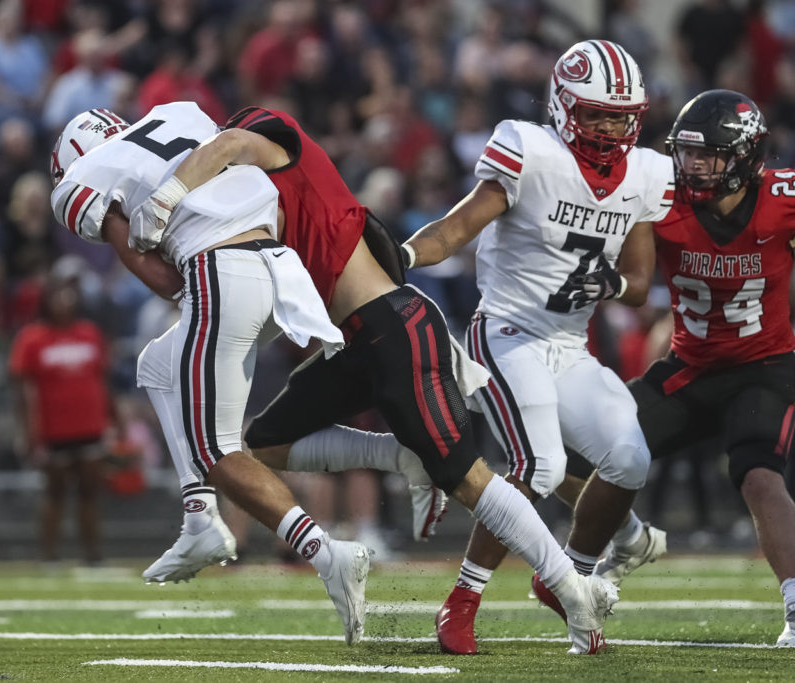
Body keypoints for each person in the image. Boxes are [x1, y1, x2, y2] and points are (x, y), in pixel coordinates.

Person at [130, 105, 621, 655]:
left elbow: (224, 148)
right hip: (355, 339)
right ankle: (400, 456)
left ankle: (573, 593)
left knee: (469, 480)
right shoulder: (262, 194)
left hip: (394, 329)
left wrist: (161, 199)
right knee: (263, 445)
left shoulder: (267, 138)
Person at [49, 104, 370, 646]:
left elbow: (145, 262)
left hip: (220, 272)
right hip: (280, 264)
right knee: (157, 365)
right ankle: (199, 519)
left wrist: (196, 296)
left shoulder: (82, 177)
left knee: (215, 449)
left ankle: (326, 553)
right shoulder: (176, 114)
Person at [400, 40, 674, 654]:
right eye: (597, 113)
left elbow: (639, 285)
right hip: (504, 333)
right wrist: (403, 254)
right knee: (540, 465)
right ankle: (462, 602)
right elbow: (456, 228)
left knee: (630, 459)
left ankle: (568, 577)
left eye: (620, 115)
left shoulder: (648, 173)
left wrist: (613, 282)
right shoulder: (532, 152)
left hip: (568, 347)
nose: (610, 127)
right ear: (565, 106)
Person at [629, 89, 795, 646]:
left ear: (744, 157)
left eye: (708, 154)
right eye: (686, 152)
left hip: (761, 367)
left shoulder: (784, 201)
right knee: (599, 441)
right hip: (688, 368)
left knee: (760, 476)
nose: (692, 165)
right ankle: (619, 543)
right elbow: (628, 275)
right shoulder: (659, 199)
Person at [9, 276, 115, 566]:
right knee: (54, 494)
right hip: (52, 430)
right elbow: (22, 389)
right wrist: (27, 431)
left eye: (68, 295)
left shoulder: (90, 333)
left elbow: (103, 381)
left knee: (90, 493)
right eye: (57, 295)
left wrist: (115, 422)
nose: (63, 301)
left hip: (90, 427)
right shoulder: (32, 338)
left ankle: (93, 554)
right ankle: (49, 554)